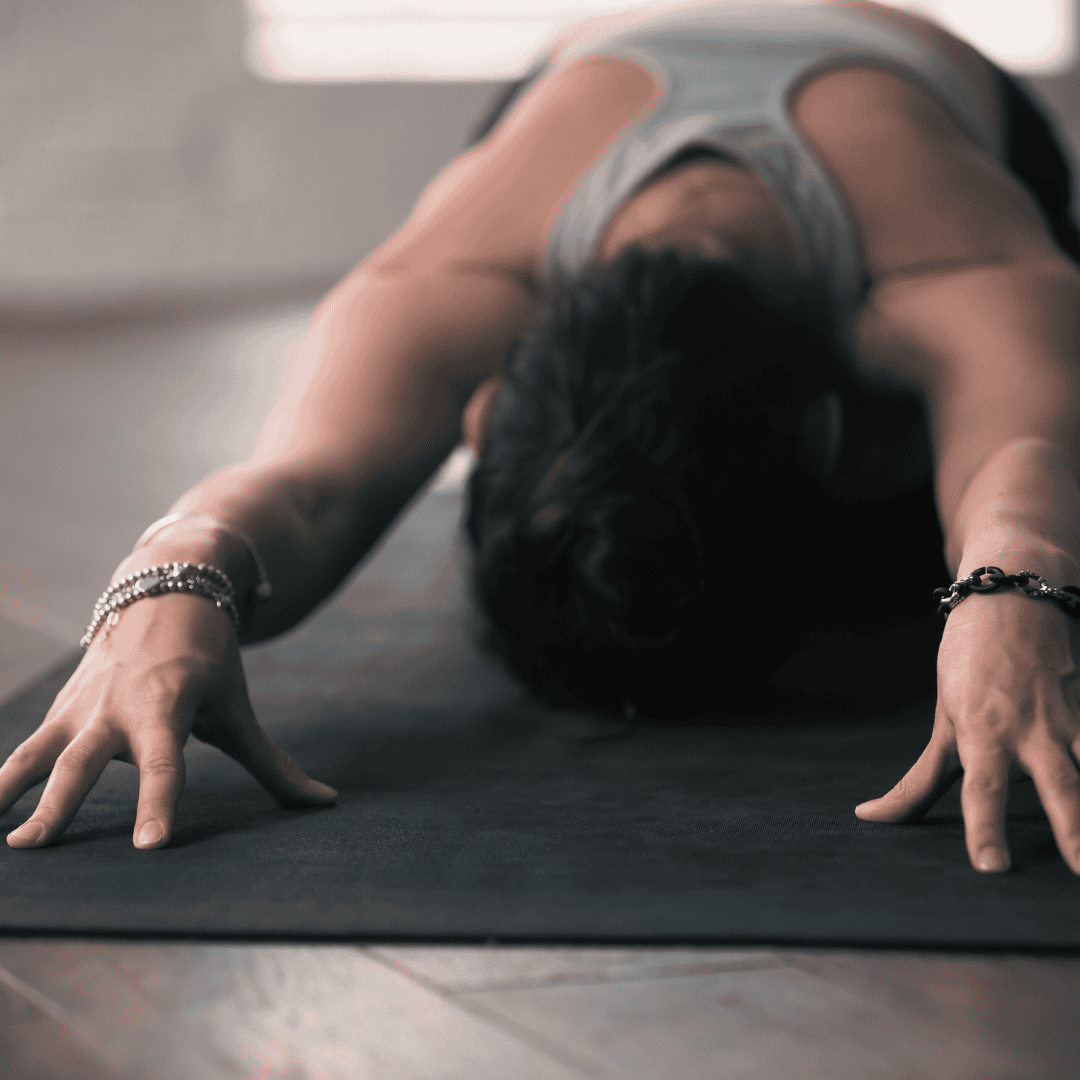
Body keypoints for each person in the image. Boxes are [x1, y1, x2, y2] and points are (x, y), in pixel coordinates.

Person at [2, 0, 1079, 878]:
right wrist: (169, 576)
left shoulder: (962, 263)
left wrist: (1011, 588)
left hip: (930, 81)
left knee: (904, 546)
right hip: (598, 76)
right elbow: (308, 484)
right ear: (481, 406)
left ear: (842, 436)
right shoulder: (455, 280)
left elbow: (1021, 454)